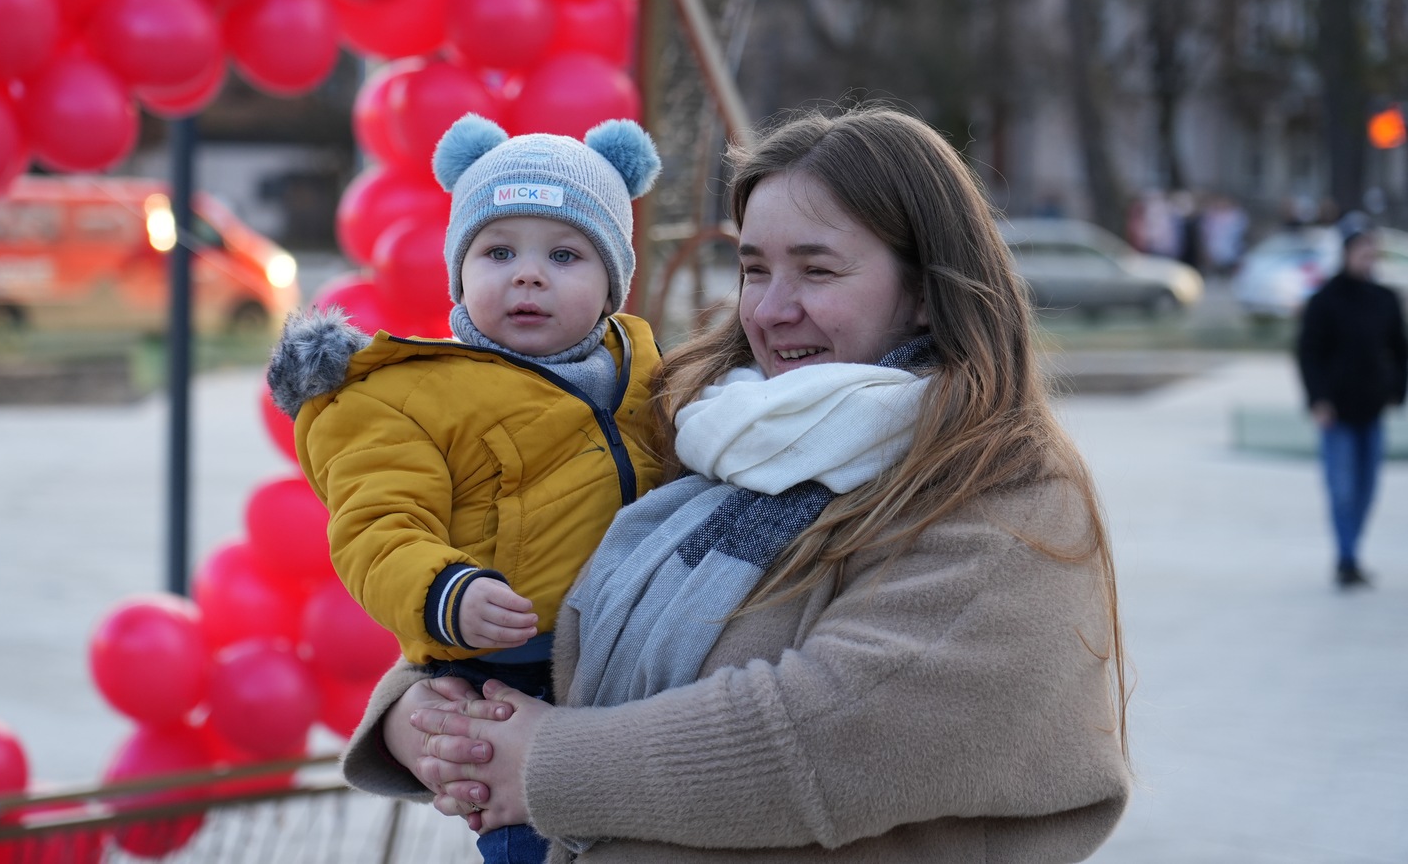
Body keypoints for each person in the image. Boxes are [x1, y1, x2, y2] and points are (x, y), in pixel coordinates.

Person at [342, 106, 1132, 863]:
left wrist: (546, 762)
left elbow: (839, 730)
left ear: (926, 290)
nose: (772, 309)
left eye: (816, 271)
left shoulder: (1000, 488)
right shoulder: (712, 434)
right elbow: (545, 579)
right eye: (755, 269)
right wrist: (421, 712)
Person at [266, 113, 665, 864]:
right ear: (459, 269)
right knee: (528, 841)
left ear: (615, 280)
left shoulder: (649, 377)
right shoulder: (408, 399)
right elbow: (377, 525)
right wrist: (446, 591)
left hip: (636, 668)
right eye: (498, 250)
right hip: (506, 669)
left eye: (566, 254)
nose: (528, 273)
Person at [1296, 212, 1408, 588]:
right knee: (1341, 489)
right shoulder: (1325, 300)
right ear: (1345, 252)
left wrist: (1397, 388)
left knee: (1365, 489)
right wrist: (1318, 399)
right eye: (1361, 250)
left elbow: (1399, 349)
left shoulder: (1385, 299)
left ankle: (1352, 551)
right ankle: (1346, 558)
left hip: (1372, 408)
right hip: (1337, 412)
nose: (1368, 257)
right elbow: (1308, 353)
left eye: (1372, 251)